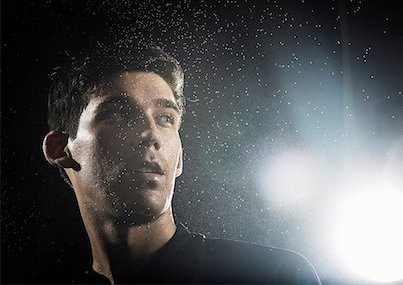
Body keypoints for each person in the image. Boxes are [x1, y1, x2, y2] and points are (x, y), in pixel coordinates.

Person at [42, 44, 322, 284]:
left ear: (178, 160)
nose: (151, 135)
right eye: (118, 115)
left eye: (165, 118)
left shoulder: (272, 277)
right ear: (59, 148)